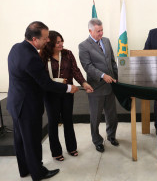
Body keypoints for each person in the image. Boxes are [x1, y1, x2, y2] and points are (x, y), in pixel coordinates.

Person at [7, 21, 78, 180]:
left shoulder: (16, 48)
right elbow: (45, 83)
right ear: (34, 39)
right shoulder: (32, 57)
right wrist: (68, 88)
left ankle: (24, 169)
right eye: (45, 38)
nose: (48, 40)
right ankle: (38, 172)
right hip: (28, 107)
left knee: (20, 140)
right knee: (32, 141)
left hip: (15, 103)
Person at [40, 31, 93, 161]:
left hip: (68, 93)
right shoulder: (41, 57)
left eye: (62, 41)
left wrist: (84, 83)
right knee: (53, 123)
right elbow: (42, 78)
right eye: (58, 42)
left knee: (68, 120)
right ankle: (56, 152)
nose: (61, 44)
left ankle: (71, 147)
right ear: (50, 43)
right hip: (51, 94)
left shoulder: (67, 54)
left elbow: (75, 70)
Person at [79, 18, 119, 153]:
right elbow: (87, 66)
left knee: (112, 115)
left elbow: (112, 61)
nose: (101, 33)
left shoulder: (106, 41)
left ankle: (111, 136)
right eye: (98, 31)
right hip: (96, 87)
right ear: (90, 30)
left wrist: (117, 76)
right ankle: (97, 141)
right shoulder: (83, 46)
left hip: (110, 86)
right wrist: (102, 75)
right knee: (95, 117)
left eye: (102, 30)